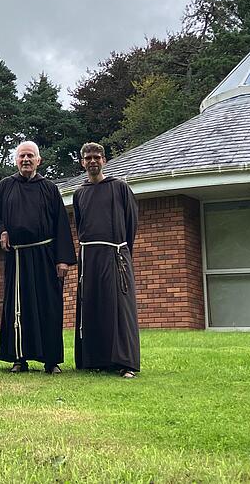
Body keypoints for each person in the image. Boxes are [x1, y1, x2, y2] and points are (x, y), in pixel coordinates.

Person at [0, 141, 76, 374]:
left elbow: (61, 225)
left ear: (39, 160)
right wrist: (1, 231)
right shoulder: (5, 186)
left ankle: (51, 360)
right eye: (22, 156)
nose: (26, 160)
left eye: (30, 156)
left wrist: (62, 259)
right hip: (18, 258)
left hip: (46, 256)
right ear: (16, 161)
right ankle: (19, 358)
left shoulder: (49, 189)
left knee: (49, 306)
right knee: (18, 306)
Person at [73, 142, 140, 378]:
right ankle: (96, 359)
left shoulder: (120, 188)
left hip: (116, 255)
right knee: (93, 305)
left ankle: (125, 363)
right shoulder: (79, 193)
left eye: (97, 157)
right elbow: (80, 226)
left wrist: (122, 252)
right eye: (88, 158)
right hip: (89, 257)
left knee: (120, 308)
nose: (92, 161)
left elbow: (131, 224)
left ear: (104, 160)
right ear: (82, 162)